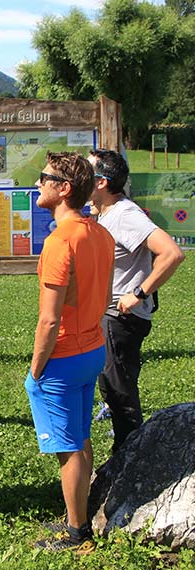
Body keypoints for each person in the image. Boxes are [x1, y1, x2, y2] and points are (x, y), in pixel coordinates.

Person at [26, 152, 114, 553]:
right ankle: (79, 511)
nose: (37, 183)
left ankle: (78, 533)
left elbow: (48, 321)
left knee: (69, 447)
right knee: (80, 436)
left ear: (64, 189)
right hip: (93, 348)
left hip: (62, 357)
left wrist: (35, 369)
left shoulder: (59, 242)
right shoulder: (100, 233)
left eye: (44, 178)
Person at [88, 149, 184, 453]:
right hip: (110, 316)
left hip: (121, 318)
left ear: (102, 182)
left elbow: (171, 253)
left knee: (120, 394)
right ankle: (126, 457)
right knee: (112, 388)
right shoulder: (106, 213)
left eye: (87, 172)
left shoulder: (125, 215)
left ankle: (130, 463)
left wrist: (138, 293)